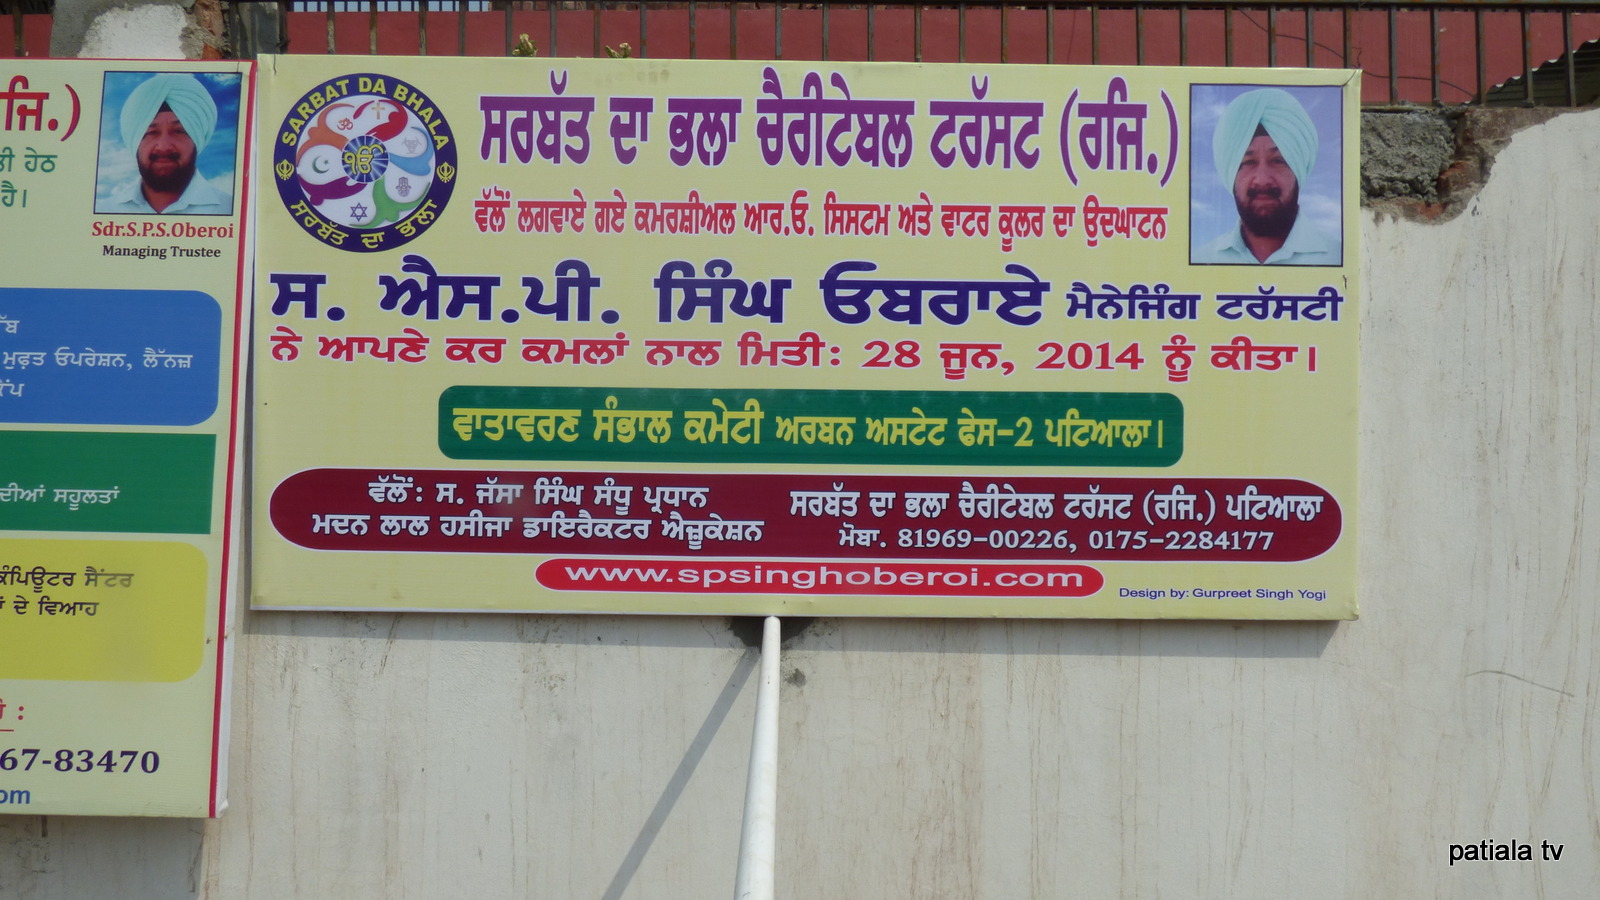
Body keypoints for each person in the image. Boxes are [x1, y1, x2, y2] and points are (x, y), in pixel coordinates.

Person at [1194, 88, 1339, 266]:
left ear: (1299, 168)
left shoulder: (1335, 257)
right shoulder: (1203, 261)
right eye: (1248, 162)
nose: (1262, 179)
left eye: (1278, 160)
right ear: (1230, 172)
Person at [101, 73, 231, 215]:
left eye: (178, 131)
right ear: (134, 140)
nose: (163, 146)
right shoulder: (104, 211)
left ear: (197, 138)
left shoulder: (229, 209)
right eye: (152, 132)